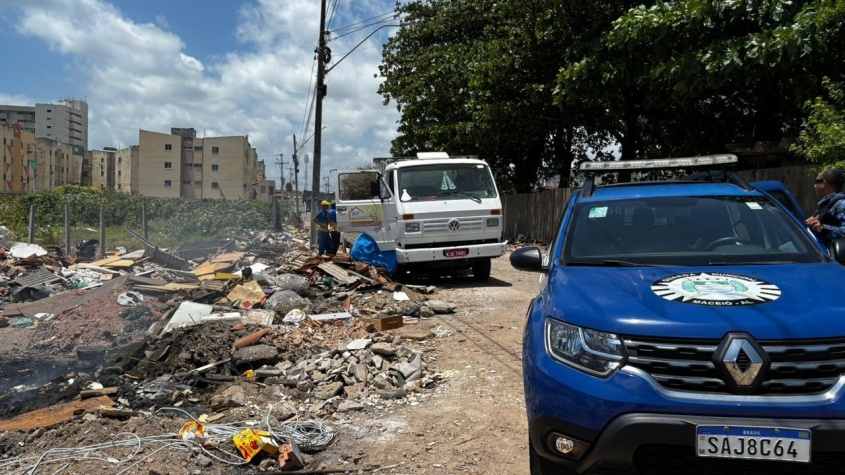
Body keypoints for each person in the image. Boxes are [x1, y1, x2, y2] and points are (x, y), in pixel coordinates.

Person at [805, 167, 845, 247]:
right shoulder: (826, 205)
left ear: (824, 183)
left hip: (833, 256)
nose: (814, 186)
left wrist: (823, 228)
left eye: (817, 182)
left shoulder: (841, 204)